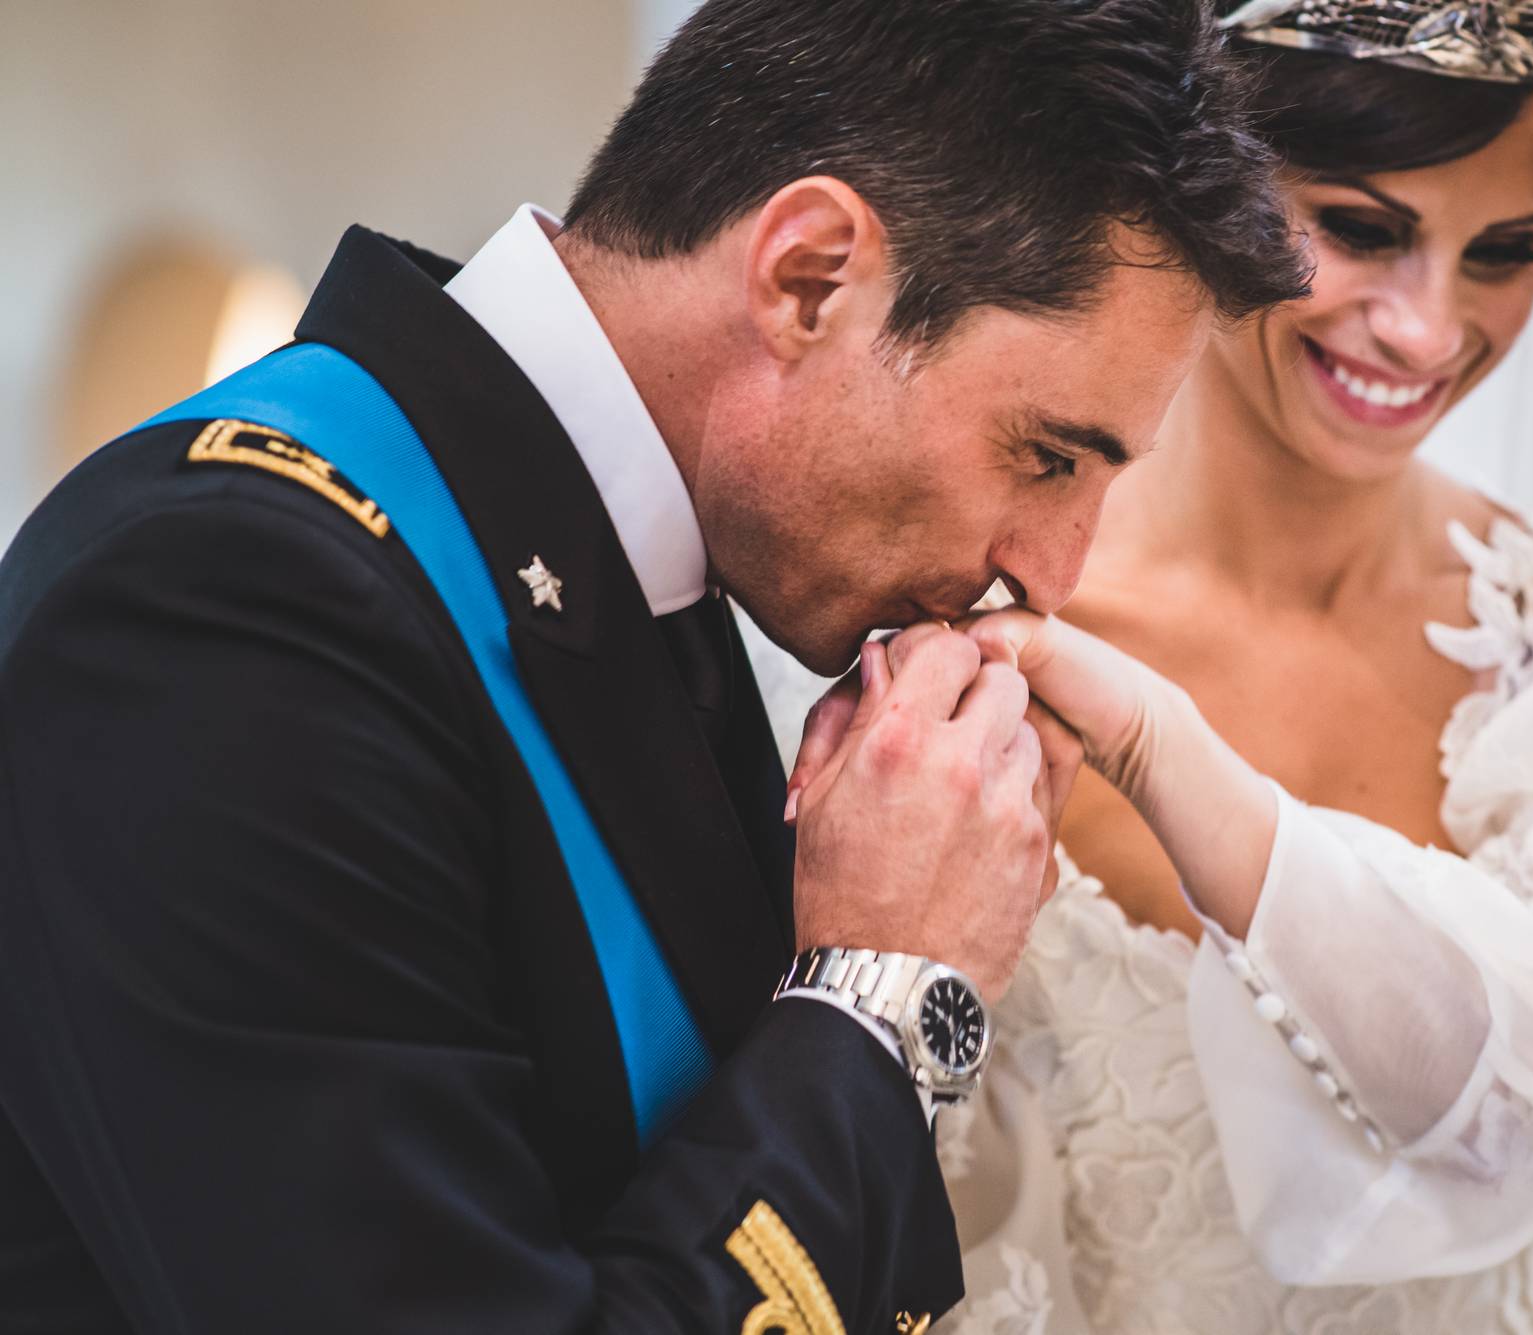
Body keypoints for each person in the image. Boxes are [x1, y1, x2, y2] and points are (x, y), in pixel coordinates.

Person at [0, 2, 1309, 1331]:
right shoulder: (225, 602)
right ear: (809, 277)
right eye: (1046, 455)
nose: (1052, 574)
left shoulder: (651, 557)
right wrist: (884, 991)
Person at [768, 2, 1533, 1330]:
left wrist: (1171, 761)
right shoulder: (942, 614)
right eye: (1361, 229)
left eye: (1507, 251)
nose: (1425, 330)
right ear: (1206, 183)